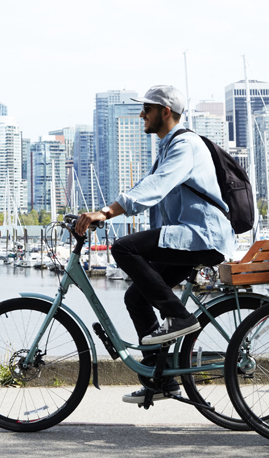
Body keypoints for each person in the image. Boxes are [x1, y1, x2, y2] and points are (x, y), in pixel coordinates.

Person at [74, 85, 234, 404]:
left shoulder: (185, 144)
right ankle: (159, 379)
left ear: (165, 111)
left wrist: (105, 212)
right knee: (136, 295)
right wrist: (105, 214)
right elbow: (150, 199)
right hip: (187, 236)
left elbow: (155, 188)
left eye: (146, 109)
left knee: (122, 248)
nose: (141, 114)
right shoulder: (168, 146)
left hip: (201, 235)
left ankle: (180, 317)